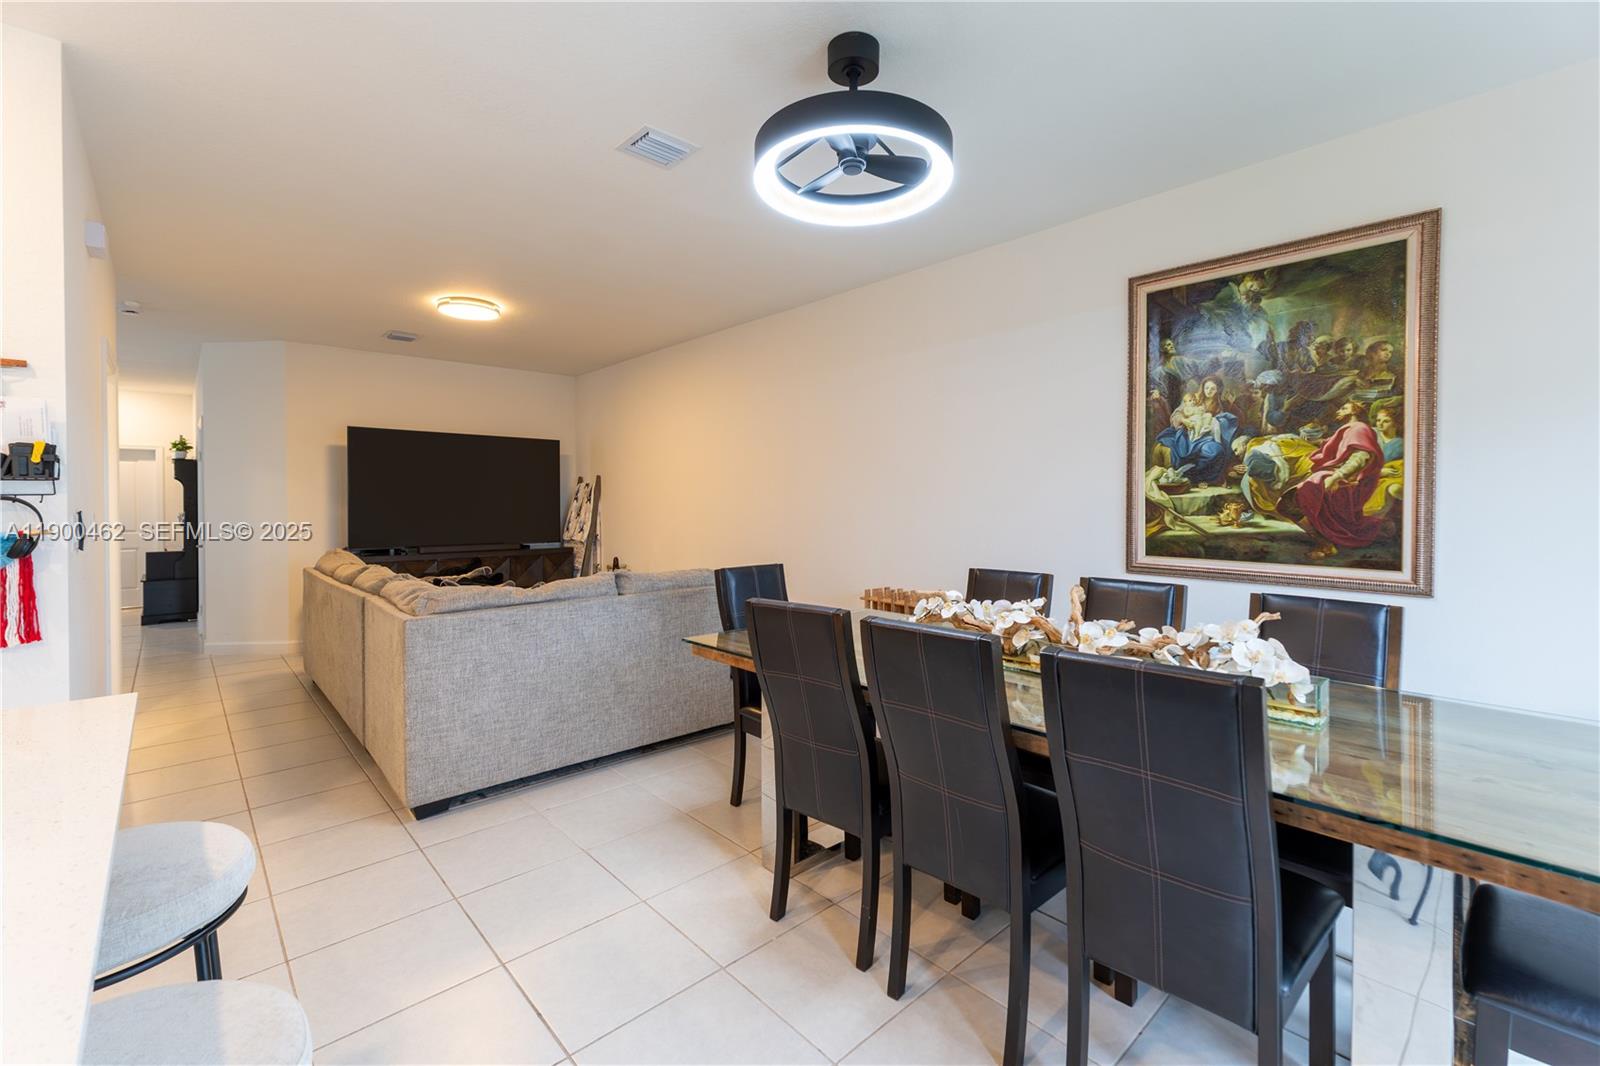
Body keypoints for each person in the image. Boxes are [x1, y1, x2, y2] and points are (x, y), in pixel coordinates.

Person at [1294, 399, 1387, 559]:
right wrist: (1316, 442)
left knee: (1299, 497)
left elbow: (1361, 457)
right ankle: (1325, 542)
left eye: (1344, 408)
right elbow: (1336, 445)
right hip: (1338, 476)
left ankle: (1326, 544)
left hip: (1348, 483)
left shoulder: (1359, 428)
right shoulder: (1349, 429)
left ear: (1354, 411)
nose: (1338, 411)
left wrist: (1336, 477)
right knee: (1291, 502)